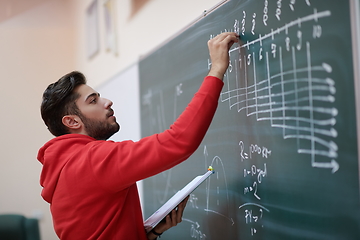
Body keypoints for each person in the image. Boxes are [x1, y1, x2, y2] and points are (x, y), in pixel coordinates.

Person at [37, 32, 239, 240]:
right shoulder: (92, 160)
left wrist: (148, 233)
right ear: (72, 122)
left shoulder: (63, 167)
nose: (107, 102)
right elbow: (179, 141)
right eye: (93, 100)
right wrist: (217, 70)